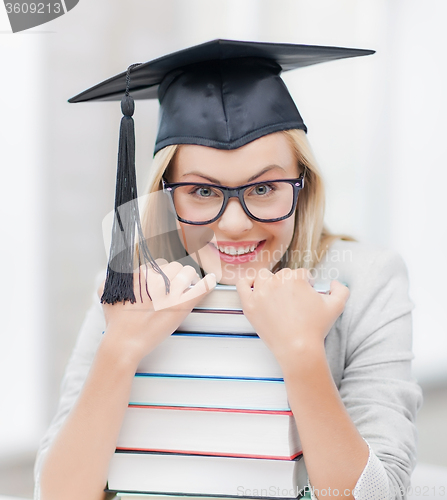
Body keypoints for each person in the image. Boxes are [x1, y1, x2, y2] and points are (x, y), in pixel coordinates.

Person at [34, 40, 422, 500]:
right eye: (201, 192)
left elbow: (381, 496)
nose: (234, 224)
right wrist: (120, 348)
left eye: (263, 188)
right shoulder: (130, 284)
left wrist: (301, 354)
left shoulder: (367, 280)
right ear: (165, 195)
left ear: (304, 184)